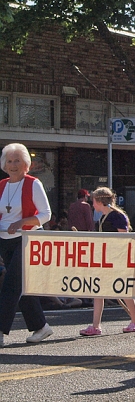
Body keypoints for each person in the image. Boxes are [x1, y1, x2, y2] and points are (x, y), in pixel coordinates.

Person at [0, 143, 54, 347]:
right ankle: (41, 326)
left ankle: (0, 330)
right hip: (4, 240)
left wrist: (22, 223)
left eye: (17, 161)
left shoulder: (33, 184)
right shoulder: (2, 185)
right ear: (4, 164)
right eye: (10, 161)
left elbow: (45, 215)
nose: (13, 165)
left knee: (10, 285)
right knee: (20, 286)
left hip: (27, 240)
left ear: (26, 165)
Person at [79, 187, 135, 336]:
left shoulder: (117, 216)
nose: (92, 204)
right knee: (98, 291)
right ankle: (96, 325)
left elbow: (124, 239)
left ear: (100, 201)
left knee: (123, 290)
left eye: (94, 201)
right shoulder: (102, 217)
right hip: (104, 259)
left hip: (117, 259)